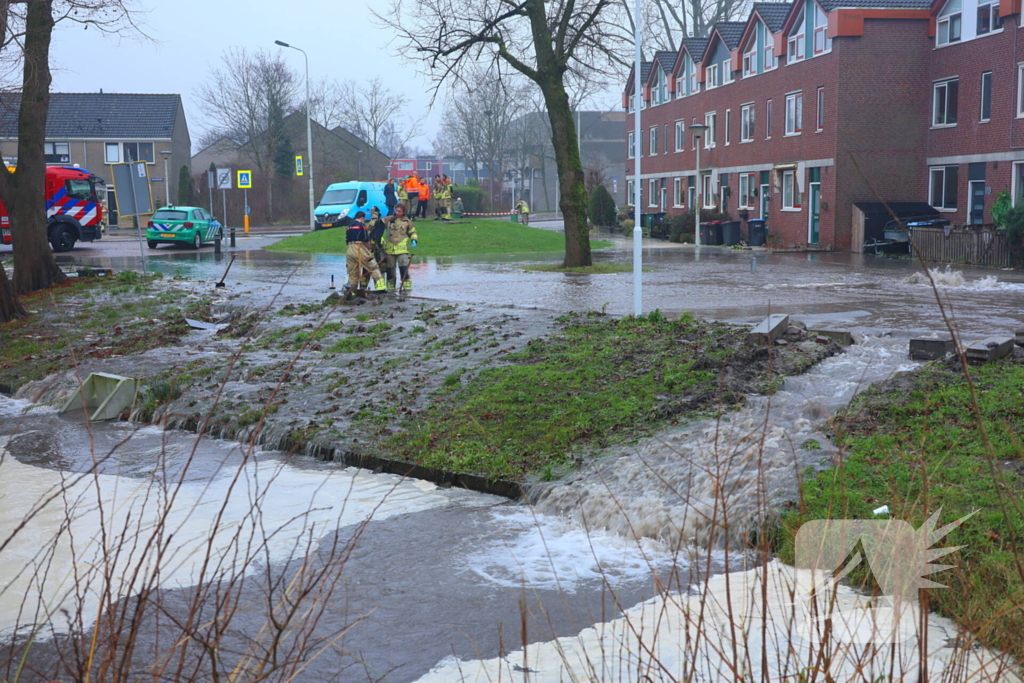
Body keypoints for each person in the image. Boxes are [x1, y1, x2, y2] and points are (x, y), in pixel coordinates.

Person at [344, 211, 386, 295]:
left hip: (349, 250)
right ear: (362, 218)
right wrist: (370, 248)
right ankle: (381, 288)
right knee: (373, 266)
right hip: (359, 248)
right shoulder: (361, 226)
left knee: (353, 272)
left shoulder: (349, 227)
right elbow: (366, 241)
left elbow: (347, 240)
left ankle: (351, 291)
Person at [383, 202, 418, 291]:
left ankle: (407, 287)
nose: (397, 212)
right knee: (390, 270)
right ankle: (391, 289)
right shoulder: (388, 219)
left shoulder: (407, 222)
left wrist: (414, 239)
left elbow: (413, 232)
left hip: (402, 249)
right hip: (390, 249)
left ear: (403, 212)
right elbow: (377, 226)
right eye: (396, 210)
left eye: (399, 211)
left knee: (403, 269)